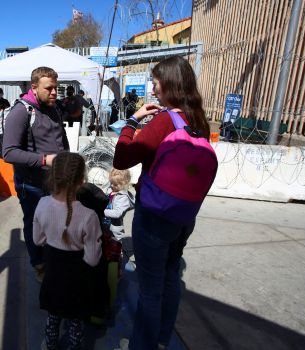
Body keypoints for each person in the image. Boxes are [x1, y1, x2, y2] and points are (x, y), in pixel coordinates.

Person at [113, 56, 211, 350]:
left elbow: (121, 158)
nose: (153, 91)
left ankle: (141, 345)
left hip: (154, 214)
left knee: (150, 289)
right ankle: (161, 341)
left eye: (155, 84)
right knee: (169, 278)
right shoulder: (199, 120)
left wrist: (133, 120)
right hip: (184, 215)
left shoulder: (165, 120)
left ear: (168, 84)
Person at [3, 66, 70, 281]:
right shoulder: (21, 111)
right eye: (49, 88)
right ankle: (38, 264)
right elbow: (9, 152)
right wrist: (44, 159)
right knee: (35, 224)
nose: (54, 92)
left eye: (56, 88)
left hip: (55, 181)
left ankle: (51, 257)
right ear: (34, 87)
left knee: (55, 222)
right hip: (31, 184)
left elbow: (61, 138)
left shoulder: (53, 107)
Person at [33, 152, 102, 350]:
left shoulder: (42, 204)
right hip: (77, 281)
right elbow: (92, 259)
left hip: (53, 276)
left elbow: (38, 239)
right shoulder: (89, 216)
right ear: (82, 181)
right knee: (75, 323)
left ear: (53, 177)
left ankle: (50, 345)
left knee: (53, 317)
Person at [103, 168, 134, 241]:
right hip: (108, 223)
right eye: (111, 183)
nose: (112, 186)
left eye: (115, 184)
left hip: (117, 230)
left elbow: (117, 213)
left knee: (117, 245)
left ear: (124, 184)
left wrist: (102, 211)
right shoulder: (112, 190)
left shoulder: (123, 197)